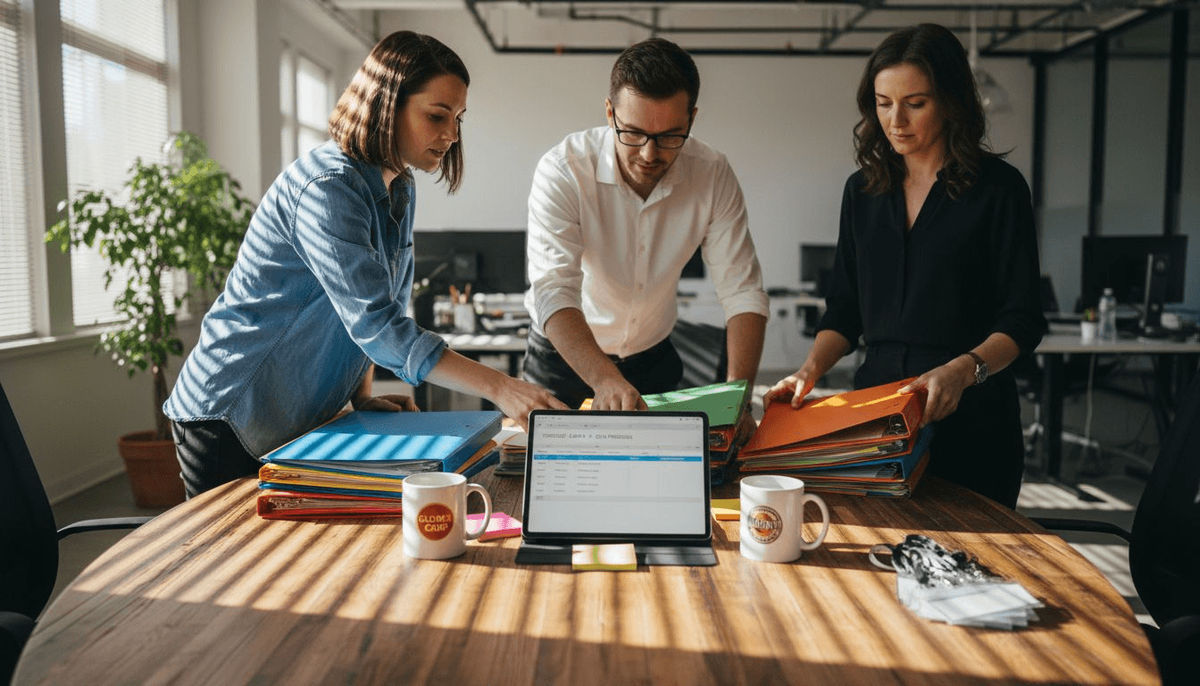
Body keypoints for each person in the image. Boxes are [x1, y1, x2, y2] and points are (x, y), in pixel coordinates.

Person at [164, 31, 565, 497]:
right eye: (437, 115)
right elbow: (377, 326)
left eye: (458, 118)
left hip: (292, 415)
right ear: (386, 105)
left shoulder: (400, 187)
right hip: (229, 410)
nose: (452, 134)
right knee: (229, 544)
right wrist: (501, 388)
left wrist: (361, 397)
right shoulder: (327, 187)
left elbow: (376, 305)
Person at [764, 24, 1046, 508]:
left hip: (973, 420)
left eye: (915, 103)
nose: (895, 121)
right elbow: (844, 311)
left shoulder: (999, 189)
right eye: (883, 103)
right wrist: (808, 371)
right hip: (876, 420)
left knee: (973, 554)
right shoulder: (862, 191)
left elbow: (1022, 320)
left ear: (951, 101)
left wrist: (962, 371)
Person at [523, 37, 769, 411]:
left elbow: (743, 292)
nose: (649, 153)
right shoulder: (564, 170)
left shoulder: (712, 173)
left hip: (652, 360)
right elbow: (553, 289)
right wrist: (606, 380)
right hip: (564, 361)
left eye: (670, 136)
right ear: (610, 113)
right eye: (634, 133)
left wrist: (739, 398)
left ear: (692, 119)